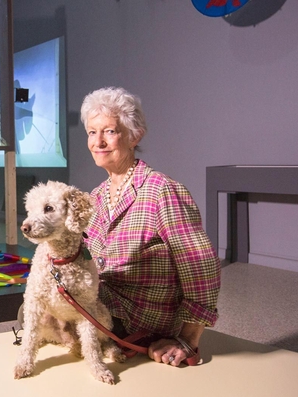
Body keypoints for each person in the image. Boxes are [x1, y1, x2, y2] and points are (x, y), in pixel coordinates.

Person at [79, 87, 221, 367]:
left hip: (142, 318)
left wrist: (187, 340)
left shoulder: (162, 191)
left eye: (109, 131)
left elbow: (200, 267)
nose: (99, 142)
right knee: (35, 311)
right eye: (92, 132)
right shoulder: (96, 195)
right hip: (105, 304)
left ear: (134, 136)